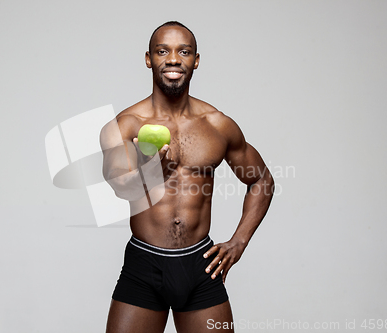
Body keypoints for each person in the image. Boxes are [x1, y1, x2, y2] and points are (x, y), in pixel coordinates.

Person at [100, 21, 274, 333]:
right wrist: (151, 174)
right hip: (144, 264)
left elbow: (261, 180)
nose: (173, 59)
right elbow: (117, 185)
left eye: (184, 51)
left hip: (200, 265)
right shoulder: (126, 125)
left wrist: (239, 242)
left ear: (196, 60)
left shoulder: (218, 125)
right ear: (148, 59)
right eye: (162, 50)